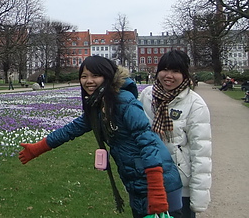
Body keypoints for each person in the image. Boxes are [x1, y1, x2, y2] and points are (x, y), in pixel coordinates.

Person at [19, 56, 183, 218]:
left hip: (160, 184)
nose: (88, 81)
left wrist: (156, 190)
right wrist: (38, 148)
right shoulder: (97, 106)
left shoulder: (124, 102)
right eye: (84, 76)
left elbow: (148, 143)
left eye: (95, 75)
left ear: (108, 76)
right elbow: (71, 130)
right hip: (137, 184)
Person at [139, 50, 212, 218]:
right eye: (164, 69)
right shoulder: (147, 95)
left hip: (179, 183)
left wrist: (198, 198)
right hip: (151, 177)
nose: (168, 76)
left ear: (184, 74)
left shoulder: (195, 105)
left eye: (176, 71)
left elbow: (201, 153)